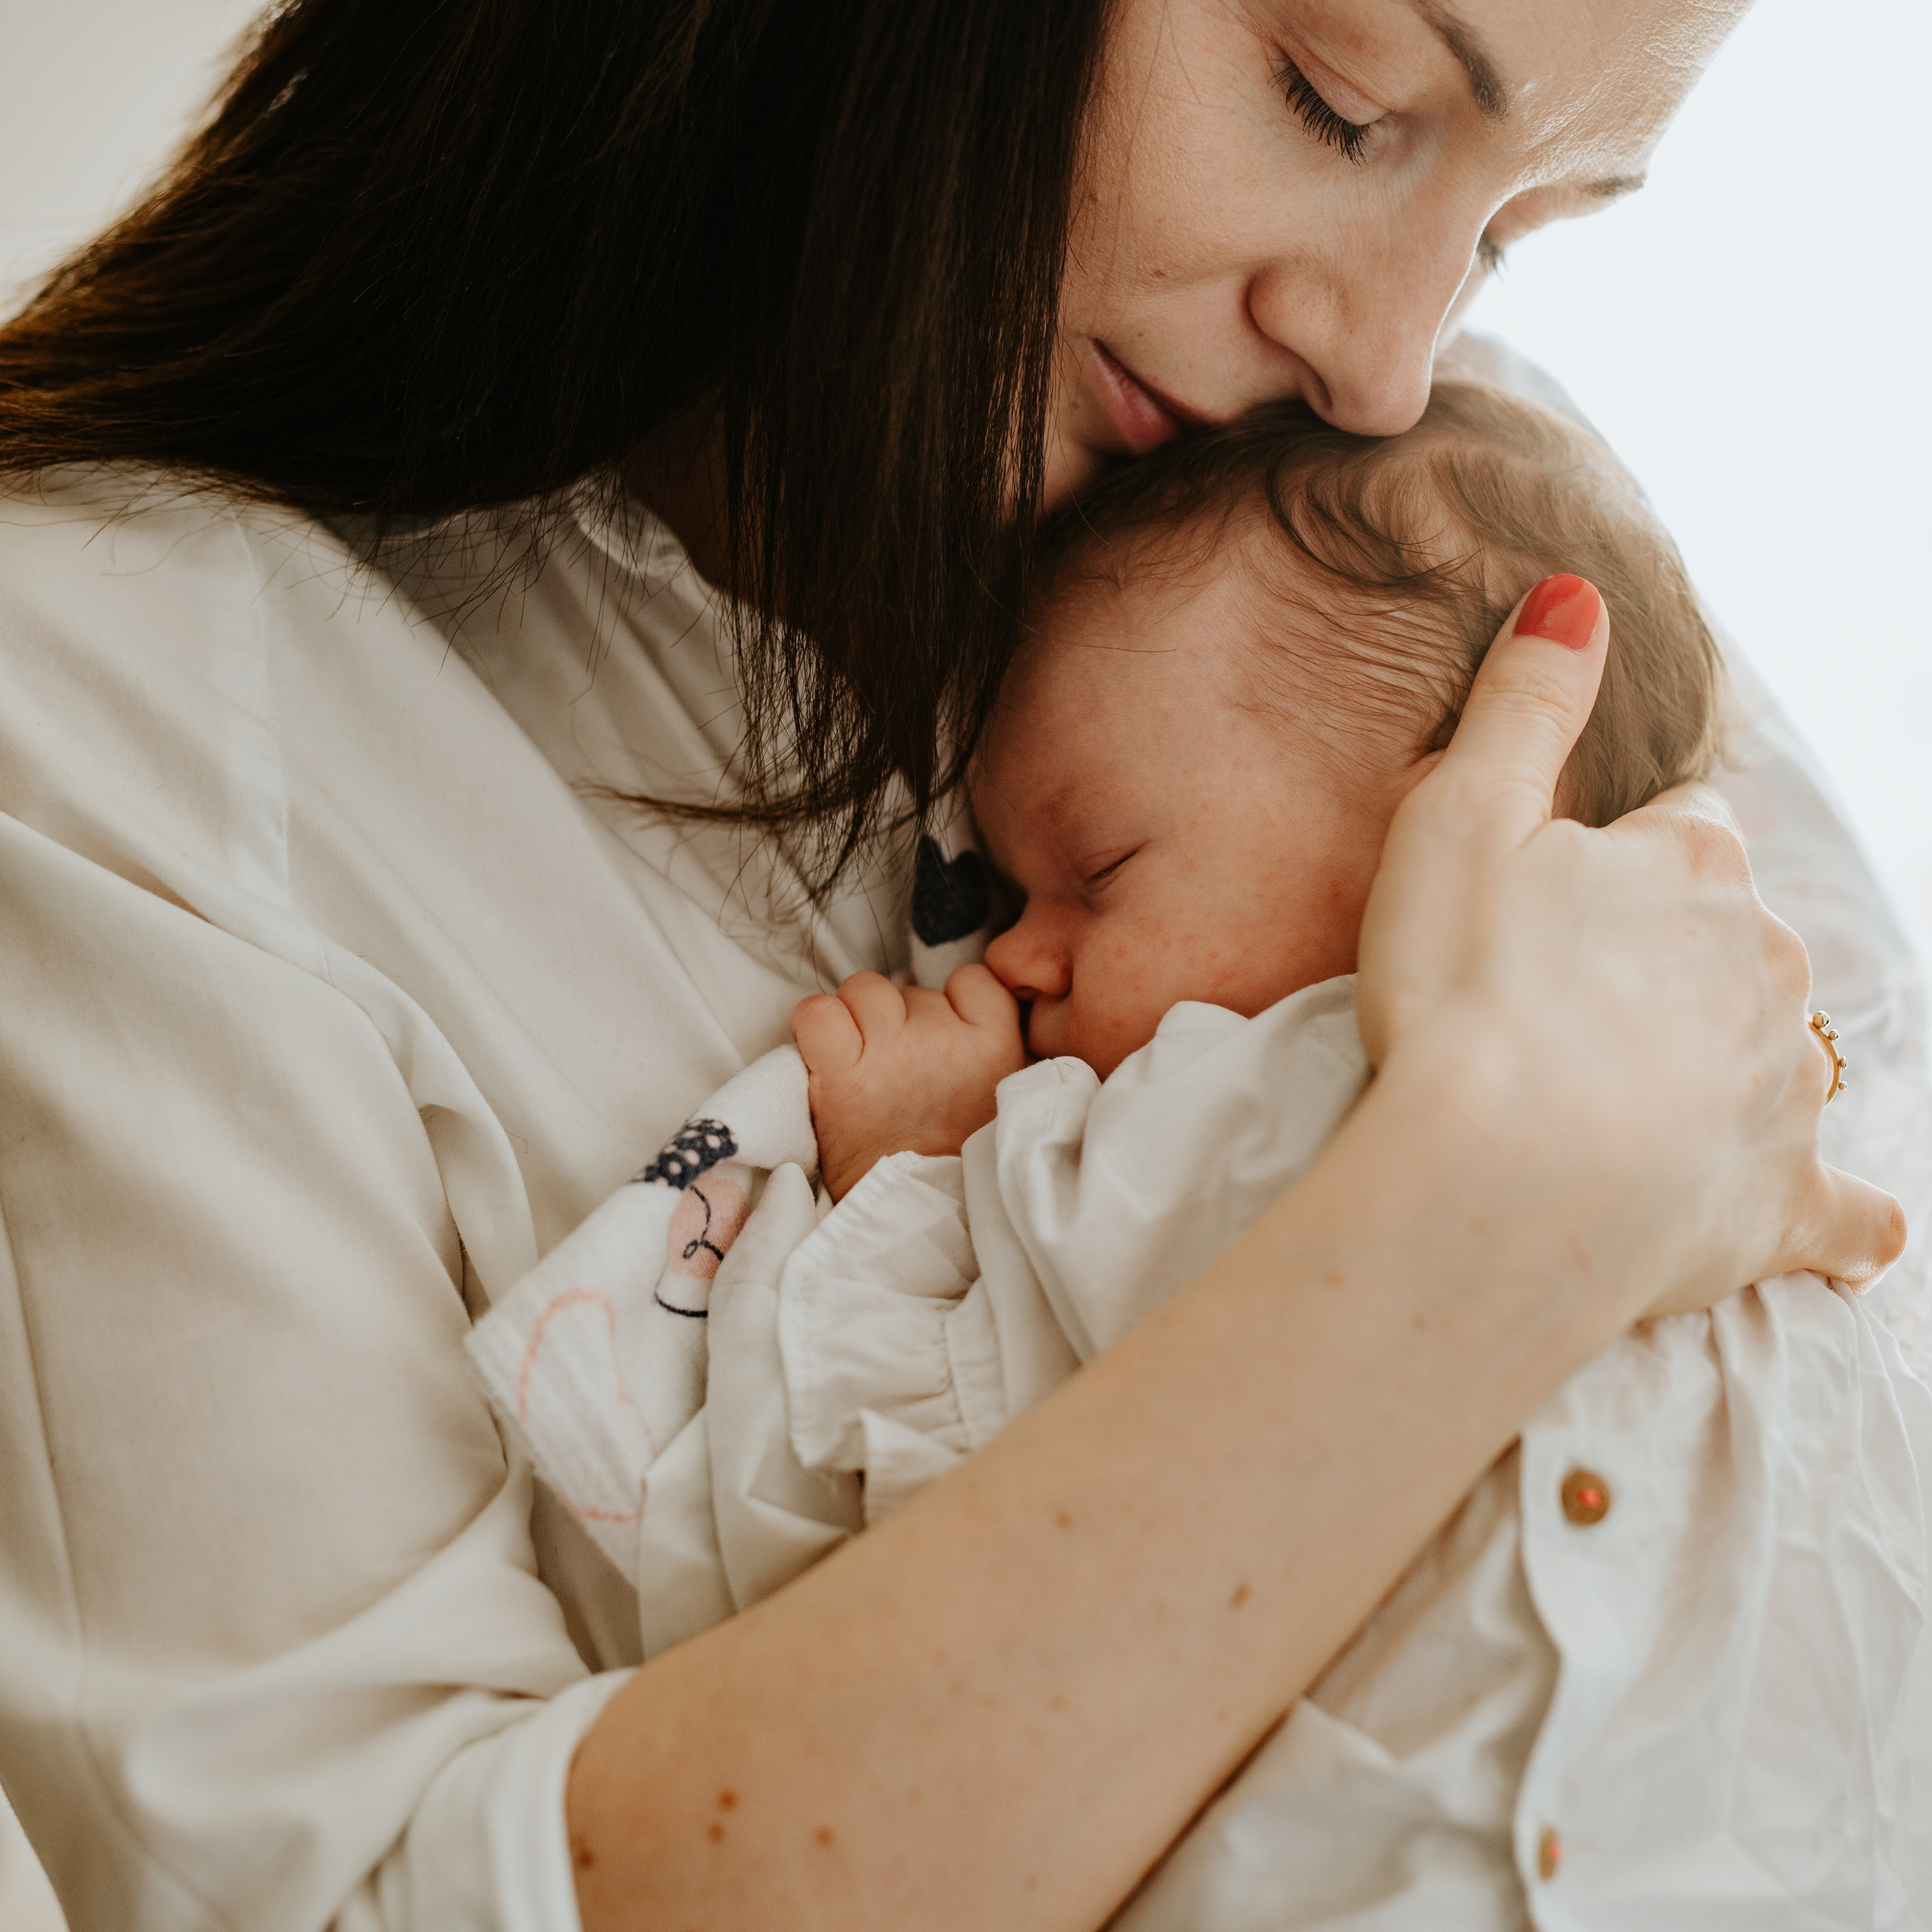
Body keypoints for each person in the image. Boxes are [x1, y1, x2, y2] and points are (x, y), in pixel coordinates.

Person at [0, 3, 1918, 1929]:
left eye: (1507, 231)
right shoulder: (107, 711)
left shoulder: (1446, 544)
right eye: (1334, 102)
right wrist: (1479, 1212)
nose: (1384, 358)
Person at [470, 383, 1932, 1924]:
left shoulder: (1210, 1115)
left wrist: (907, 1170)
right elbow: (901, 1599)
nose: (1012, 957)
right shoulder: (1119, 1147)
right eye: (1008, 896)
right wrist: (926, 1175)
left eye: (1098, 869)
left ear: (1475, 803)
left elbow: (820, 1490)